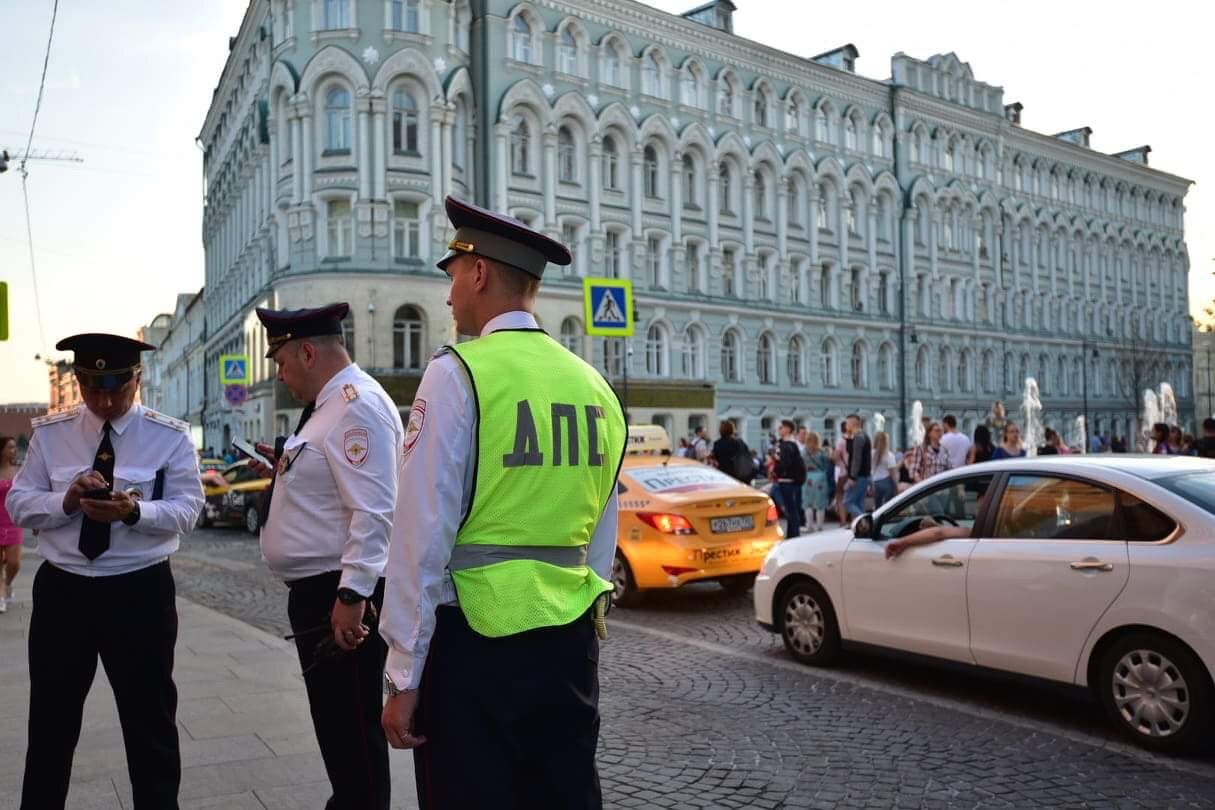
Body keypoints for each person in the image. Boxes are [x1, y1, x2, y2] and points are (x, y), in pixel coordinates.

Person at [378, 197, 627, 809]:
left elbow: (420, 534)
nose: (448, 293)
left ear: (480, 272)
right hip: (569, 645)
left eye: (453, 274)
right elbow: (601, 531)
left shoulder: (458, 372)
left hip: (475, 650)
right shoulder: (595, 386)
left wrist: (402, 674)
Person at [6, 333, 203, 809]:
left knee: (150, 726)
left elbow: (189, 509)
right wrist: (66, 500)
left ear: (138, 379)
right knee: (51, 724)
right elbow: (18, 503)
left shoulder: (169, 436)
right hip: (64, 594)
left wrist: (134, 514)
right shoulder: (51, 436)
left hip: (139, 592)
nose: (106, 400)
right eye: (94, 389)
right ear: (78, 381)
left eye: (118, 389)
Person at [251, 302, 404, 810]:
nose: (279, 374)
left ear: (309, 351)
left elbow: (375, 510)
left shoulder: (354, 405)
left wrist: (352, 592)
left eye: (281, 361)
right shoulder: (327, 406)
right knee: (339, 735)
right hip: (324, 593)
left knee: (353, 738)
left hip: (338, 596)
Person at [770, 419, 806, 538]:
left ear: (788, 429)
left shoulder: (788, 445)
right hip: (789, 480)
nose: (779, 430)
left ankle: (794, 535)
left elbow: (785, 463)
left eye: (782, 427)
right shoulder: (786, 444)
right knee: (791, 509)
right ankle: (792, 534)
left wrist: (777, 471)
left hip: (787, 480)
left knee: (791, 509)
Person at [838, 414, 872, 521]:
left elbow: (856, 459)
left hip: (858, 476)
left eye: (847, 423)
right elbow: (852, 453)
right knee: (858, 502)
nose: (845, 426)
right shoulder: (862, 436)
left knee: (847, 502)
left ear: (853, 424)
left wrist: (852, 477)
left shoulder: (858, 437)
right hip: (864, 475)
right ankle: (863, 528)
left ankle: (866, 522)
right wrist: (848, 438)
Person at [801, 431, 830, 531]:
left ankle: (809, 525)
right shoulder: (821, 452)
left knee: (808, 503)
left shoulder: (803, 452)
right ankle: (820, 526)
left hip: (807, 478)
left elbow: (801, 465)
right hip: (820, 478)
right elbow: (827, 465)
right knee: (820, 504)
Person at [870, 431, 897, 509]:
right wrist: (896, 486)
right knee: (888, 507)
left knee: (878, 507)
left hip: (875, 482)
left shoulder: (870, 453)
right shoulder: (889, 455)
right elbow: (893, 473)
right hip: (887, 482)